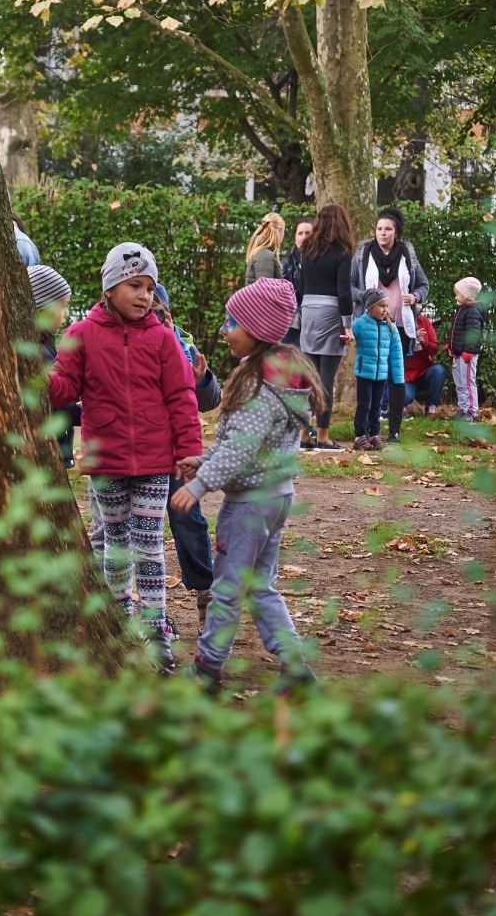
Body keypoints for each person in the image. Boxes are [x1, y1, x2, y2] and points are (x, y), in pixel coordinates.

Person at [47, 242, 202, 672]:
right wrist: (34, 374)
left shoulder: (163, 340)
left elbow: (182, 396)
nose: (144, 295)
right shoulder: (82, 335)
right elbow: (64, 387)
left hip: (154, 460)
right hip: (107, 460)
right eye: (135, 285)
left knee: (150, 544)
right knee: (115, 543)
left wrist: (189, 450)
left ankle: (155, 632)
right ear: (111, 286)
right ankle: (118, 622)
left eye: (150, 288)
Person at [171, 277, 322, 694]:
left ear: (255, 329)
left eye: (232, 321)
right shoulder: (279, 376)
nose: (224, 329)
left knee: (227, 589)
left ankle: (206, 672)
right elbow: (244, 445)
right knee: (260, 586)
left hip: (250, 505)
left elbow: (240, 449)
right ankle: (295, 669)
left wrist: (200, 484)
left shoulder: (258, 384)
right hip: (276, 495)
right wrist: (204, 459)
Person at [88, 283, 221, 631]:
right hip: (121, 455)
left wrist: (201, 380)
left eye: (160, 310)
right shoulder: (111, 340)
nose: (152, 314)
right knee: (111, 531)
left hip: (172, 454)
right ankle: (109, 606)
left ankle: (204, 592)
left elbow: (209, 401)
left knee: (186, 523)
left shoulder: (179, 342)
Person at [351, 207, 429, 444]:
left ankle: (394, 431)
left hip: (400, 327)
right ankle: (366, 432)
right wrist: (367, 296)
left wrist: (415, 297)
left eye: (388, 229)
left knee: (397, 378)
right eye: (379, 229)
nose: (382, 233)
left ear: (396, 233)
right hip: (370, 328)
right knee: (370, 379)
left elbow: (424, 285)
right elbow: (350, 287)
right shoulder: (363, 255)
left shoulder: (407, 255)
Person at [294, 203, 354, 451]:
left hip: (308, 311)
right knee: (326, 380)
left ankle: (302, 436)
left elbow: (300, 284)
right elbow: (344, 292)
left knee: (309, 378)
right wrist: (347, 326)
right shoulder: (342, 251)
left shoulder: (307, 249)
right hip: (330, 315)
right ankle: (322, 436)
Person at [28, 264, 80, 468]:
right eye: (63, 306)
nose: (66, 315)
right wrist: (85, 411)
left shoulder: (44, 346)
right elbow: (51, 406)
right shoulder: (38, 353)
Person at [351, 289, 404, 450]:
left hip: (381, 375)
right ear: (370, 307)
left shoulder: (391, 327)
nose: (385, 310)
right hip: (364, 374)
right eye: (381, 306)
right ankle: (360, 436)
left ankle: (374, 434)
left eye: (386, 306)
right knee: (364, 405)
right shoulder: (359, 324)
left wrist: (398, 378)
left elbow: (396, 354)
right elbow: (348, 335)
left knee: (377, 406)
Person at [447, 277, 486, 422]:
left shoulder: (473, 311)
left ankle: (471, 411)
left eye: (458, 294)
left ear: (466, 294)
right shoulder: (462, 309)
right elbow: (455, 330)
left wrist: (469, 351)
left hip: (466, 355)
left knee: (468, 383)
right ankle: (463, 409)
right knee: (460, 383)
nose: (456, 297)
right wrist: (449, 345)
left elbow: (474, 333)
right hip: (458, 354)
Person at [404, 314, 446, 417]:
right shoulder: (399, 322)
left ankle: (431, 406)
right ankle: (402, 405)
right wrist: (411, 339)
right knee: (406, 397)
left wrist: (424, 343)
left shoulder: (424, 321)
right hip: (405, 374)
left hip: (423, 372)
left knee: (439, 371)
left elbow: (435, 348)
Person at [281, 216, 314, 345]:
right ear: (295, 236)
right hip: (292, 322)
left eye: (308, 233)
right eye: (300, 233)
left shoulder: (322, 262)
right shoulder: (286, 263)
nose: (304, 237)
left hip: (313, 322)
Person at [245, 212, 285, 284]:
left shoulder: (263, 253)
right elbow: (265, 290)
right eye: (283, 231)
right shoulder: (265, 255)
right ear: (279, 231)